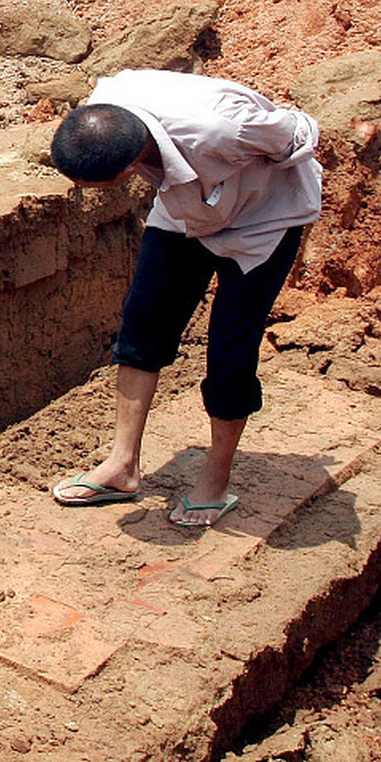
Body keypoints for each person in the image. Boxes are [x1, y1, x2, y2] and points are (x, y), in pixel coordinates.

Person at [47, 69, 322, 528]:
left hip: (263, 220)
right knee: (143, 326)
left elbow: (300, 131)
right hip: (186, 211)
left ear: (129, 169)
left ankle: (215, 482)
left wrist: (247, 175)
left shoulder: (223, 130)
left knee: (231, 351)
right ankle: (122, 466)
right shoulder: (104, 109)